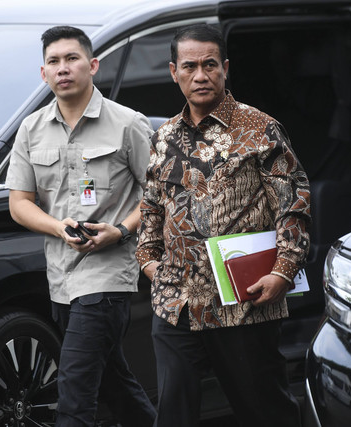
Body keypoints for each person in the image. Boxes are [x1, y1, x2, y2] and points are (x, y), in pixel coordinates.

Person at [135, 24, 311, 427]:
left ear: (225, 68)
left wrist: (283, 271)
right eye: (190, 66)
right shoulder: (163, 137)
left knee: (263, 409)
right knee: (174, 411)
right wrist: (149, 262)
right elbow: (151, 207)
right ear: (173, 72)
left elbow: (294, 204)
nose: (201, 75)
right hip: (175, 301)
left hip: (244, 301)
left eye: (210, 64)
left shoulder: (260, 129)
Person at [6, 25, 156, 427]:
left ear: (92, 66)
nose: (63, 68)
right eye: (53, 62)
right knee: (114, 385)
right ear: (43, 74)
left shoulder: (128, 124)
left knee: (73, 391)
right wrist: (57, 227)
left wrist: (121, 230)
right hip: (60, 277)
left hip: (107, 279)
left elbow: (161, 196)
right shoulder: (31, 128)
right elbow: (19, 203)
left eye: (72, 59)